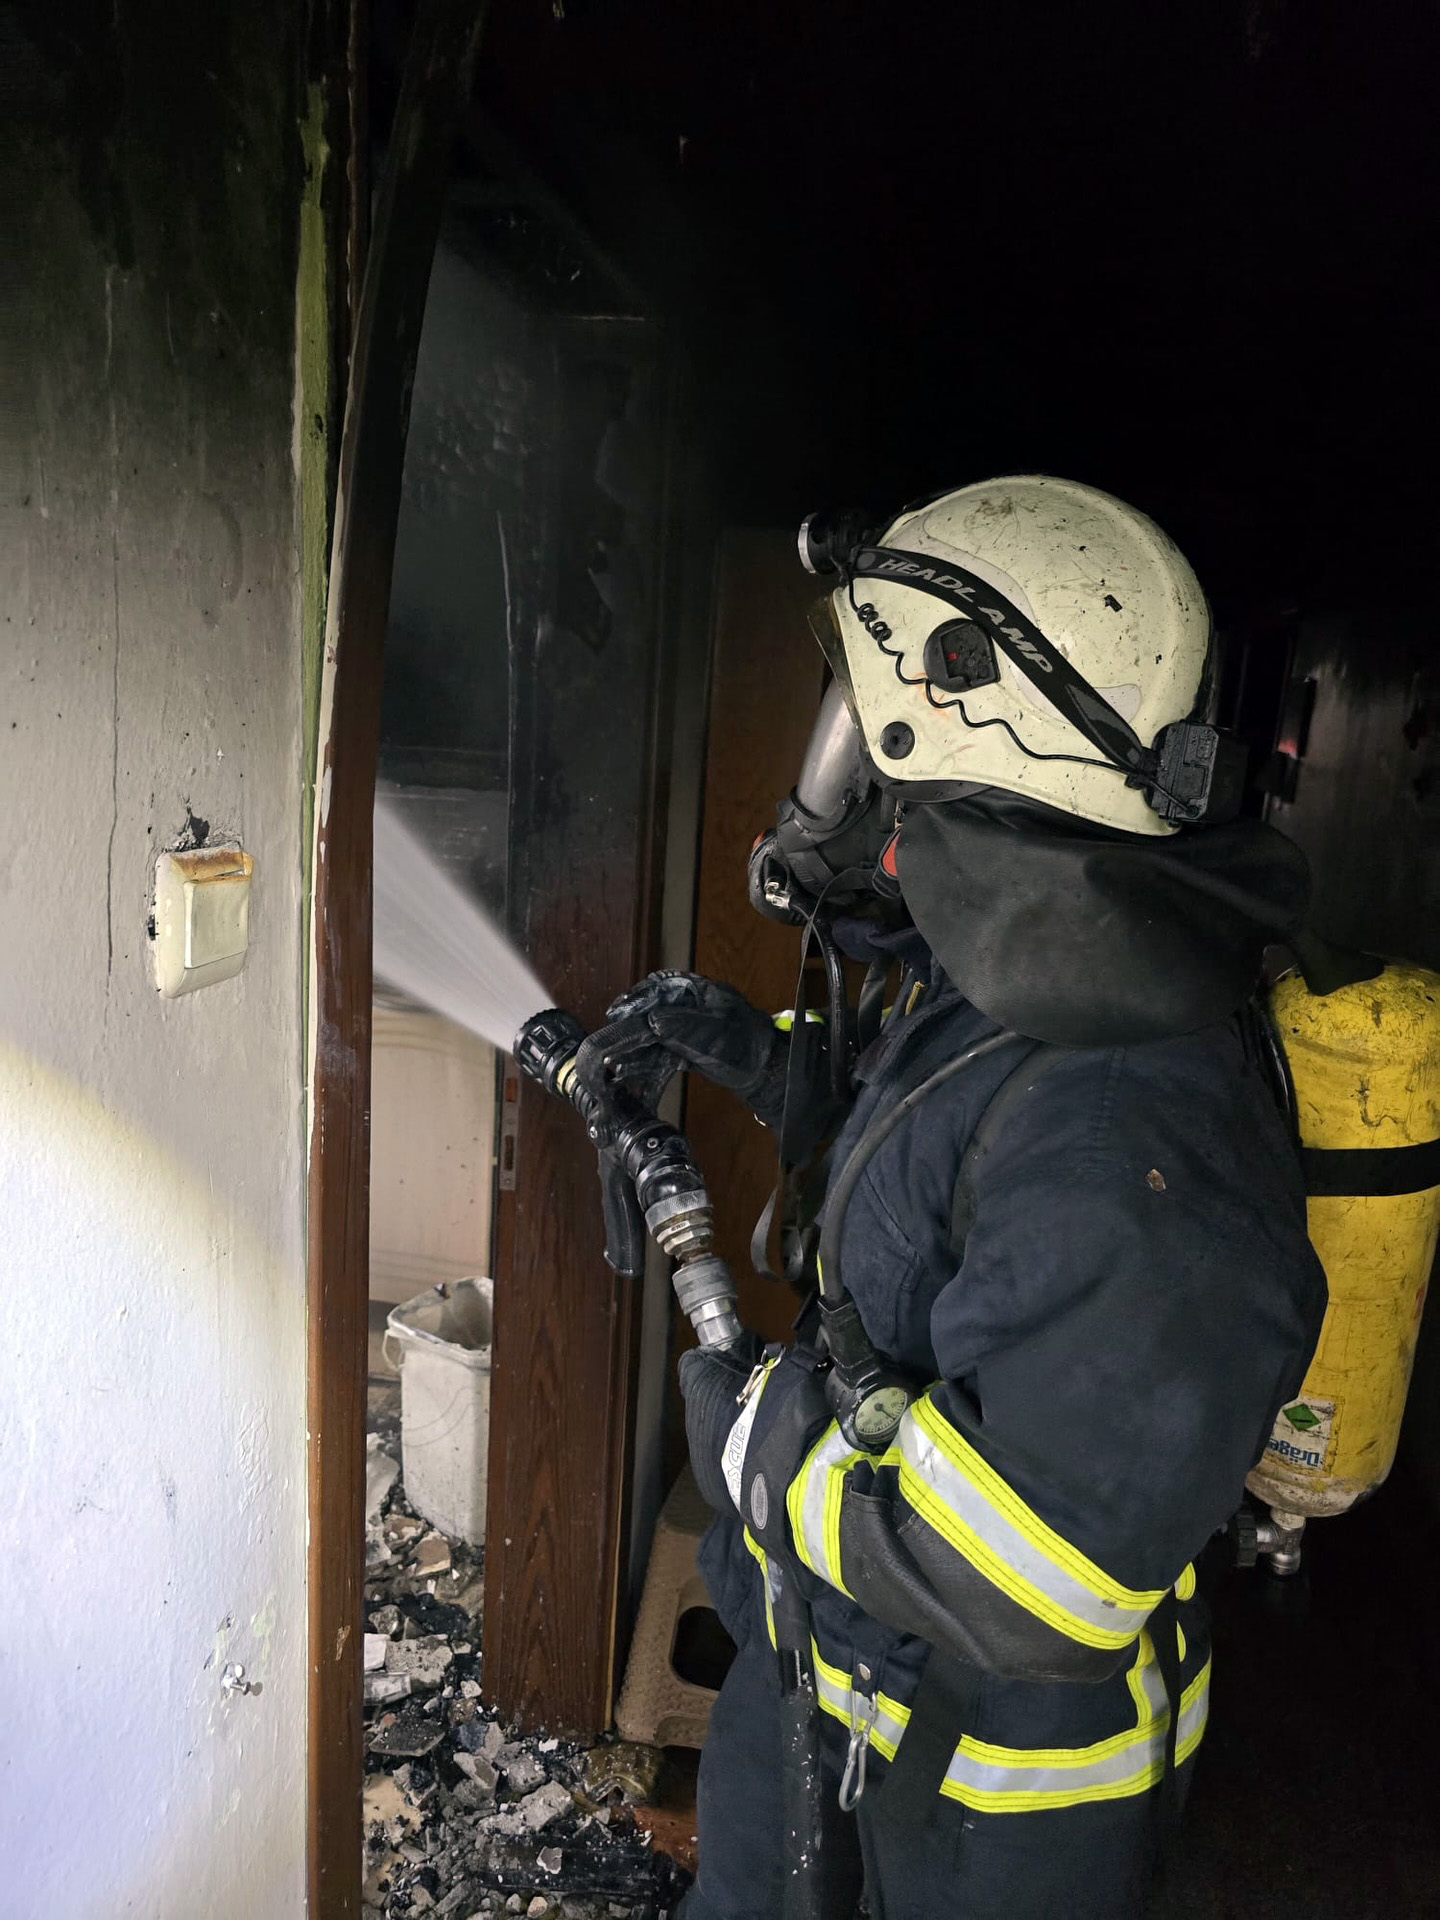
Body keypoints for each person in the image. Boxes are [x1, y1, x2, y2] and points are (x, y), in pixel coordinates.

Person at [618, 477, 1327, 1920]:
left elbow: (1039, 1581)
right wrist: (761, 1059)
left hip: (986, 1803)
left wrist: (761, 1442)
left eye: (864, 721)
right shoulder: (1034, 977)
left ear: (966, 725)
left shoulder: (1135, 1124)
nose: (842, 779)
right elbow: (929, 1165)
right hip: (832, 1683)